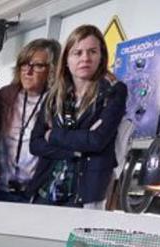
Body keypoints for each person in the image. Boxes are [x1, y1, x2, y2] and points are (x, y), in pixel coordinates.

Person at [29, 25, 127, 209]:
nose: (85, 58)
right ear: (66, 59)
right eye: (77, 52)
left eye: (92, 52)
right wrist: (76, 150)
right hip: (46, 188)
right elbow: (35, 143)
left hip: (84, 194)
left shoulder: (113, 91)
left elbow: (97, 140)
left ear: (101, 56)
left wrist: (53, 135)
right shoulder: (54, 95)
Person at [0, 38, 60, 202]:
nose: (28, 71)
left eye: (38, 65)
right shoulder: (6, 96)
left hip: (35, 193)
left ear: (52, 70)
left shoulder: (56, 103)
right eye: (24, 64)